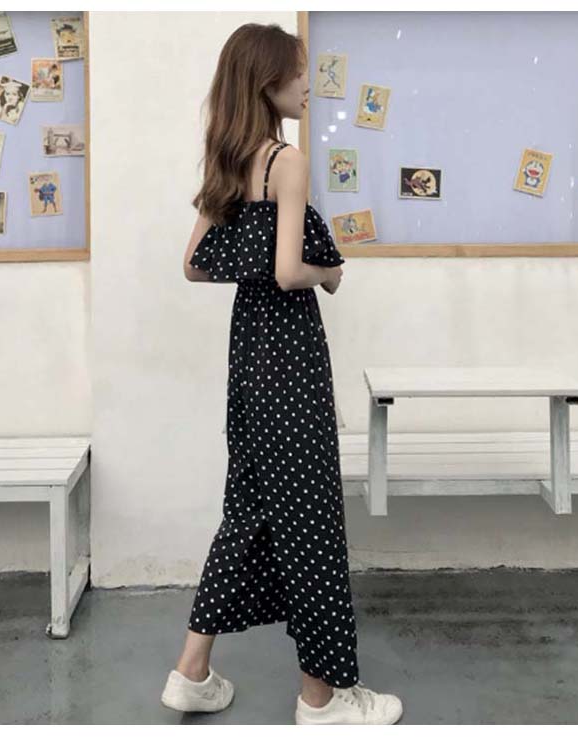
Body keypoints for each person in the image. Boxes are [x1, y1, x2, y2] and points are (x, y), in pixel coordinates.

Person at [160, 23, 403, 725]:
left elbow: (194, 264)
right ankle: (321, 699)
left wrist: (256, 254)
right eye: (299, 74)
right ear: (269, 83)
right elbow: (290, 270)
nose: (308, 86)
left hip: (249, 355)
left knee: (251, 507)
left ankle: (191, 671)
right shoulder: (286, 161)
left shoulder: (230, 161)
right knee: (310, 518)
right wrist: (329, 272)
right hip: (290, 355)